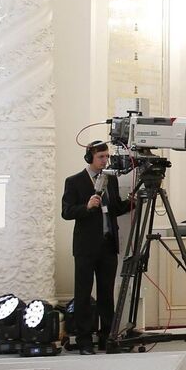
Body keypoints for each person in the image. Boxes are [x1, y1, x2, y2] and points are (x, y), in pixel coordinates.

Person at [61, 142, 134, 354]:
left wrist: (132, 202)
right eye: (101, 156)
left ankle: (107, 338)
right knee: (83, 294)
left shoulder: (111, 180)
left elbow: (114, 208)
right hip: (85, 247)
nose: (105, 160)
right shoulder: (74, 181)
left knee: (106, 294)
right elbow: (66, 212)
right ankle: (84, 341)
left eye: (107, 156)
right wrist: (86, 206)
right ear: (89, 158)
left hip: (108, 245)